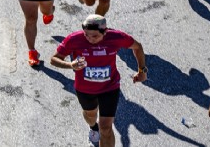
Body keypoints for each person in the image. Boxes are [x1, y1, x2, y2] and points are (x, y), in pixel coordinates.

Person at [50, 14, 147, 146]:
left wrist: (142, 70)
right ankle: (93, 127)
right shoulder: (74, 39)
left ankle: (100, 130)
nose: (90, 39)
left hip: (110, 87)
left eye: (95, 36)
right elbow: (54, 59)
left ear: (105, 31)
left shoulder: (117, 37)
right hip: (85, 89)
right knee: (90, 116)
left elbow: (137, 47)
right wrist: (70, 65)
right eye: (86, 35)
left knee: (106, 128)